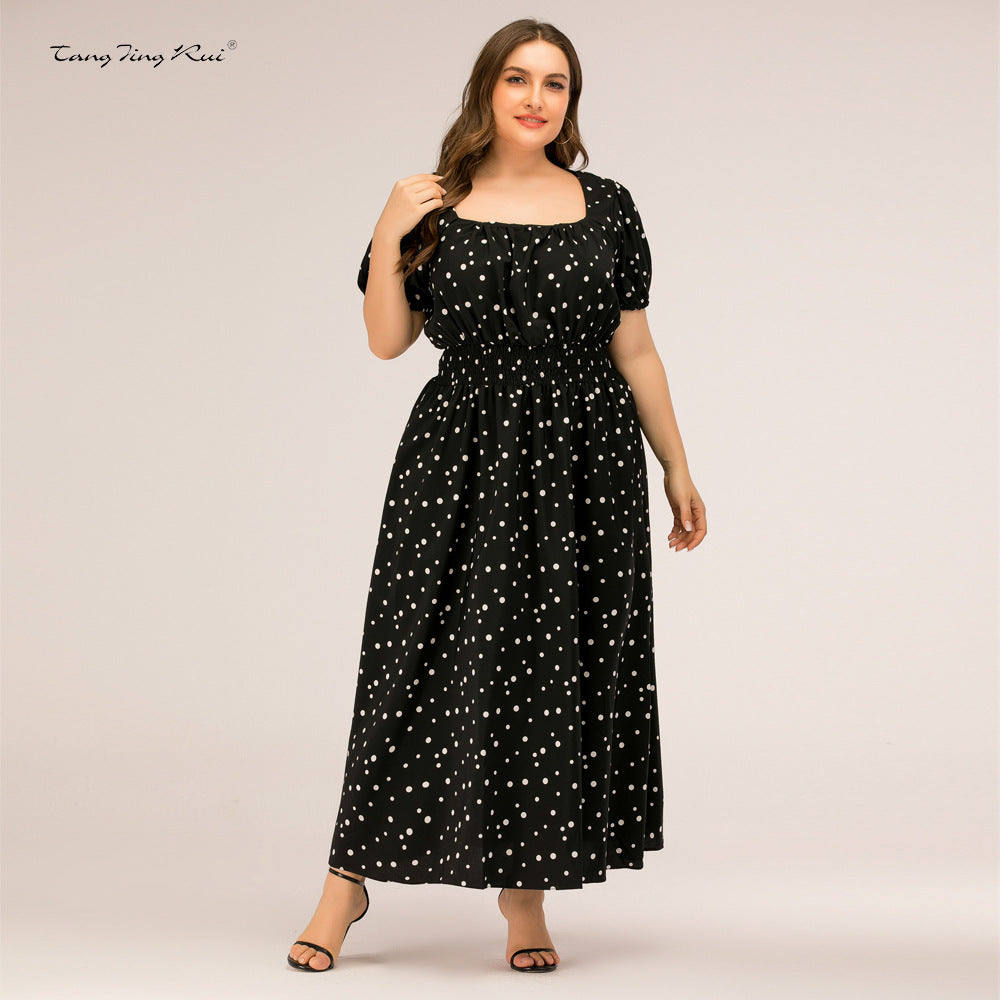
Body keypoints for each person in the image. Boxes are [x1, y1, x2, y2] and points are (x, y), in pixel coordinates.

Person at [287, 16, 707, 975]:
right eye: (518, 78)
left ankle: (526, 899)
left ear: (571, 103)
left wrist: (676, 467)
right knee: (413, 663)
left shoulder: (607, 206)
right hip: (459, 462)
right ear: (486, 88)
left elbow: (635, 348)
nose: (535, 98)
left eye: (555, 84)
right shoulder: (429, 202)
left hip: (587, 469)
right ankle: (345, 885)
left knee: (553, 674)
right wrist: (388, 229)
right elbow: (387, 341)